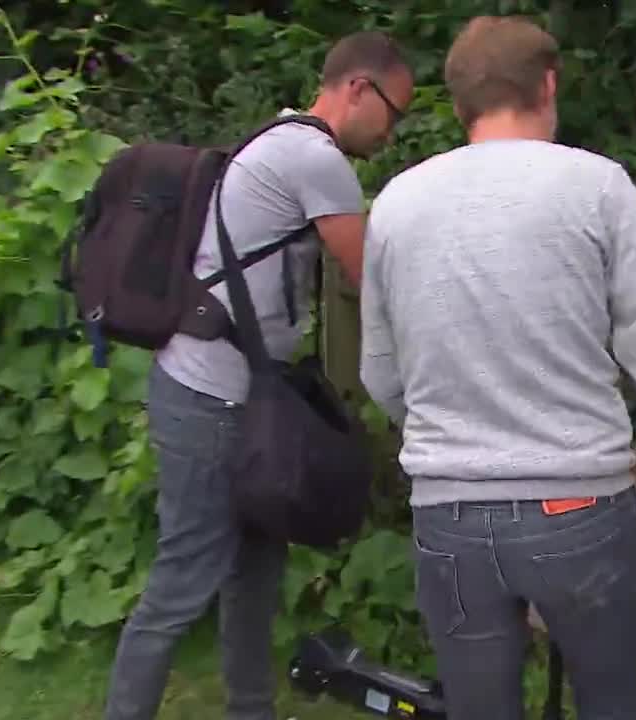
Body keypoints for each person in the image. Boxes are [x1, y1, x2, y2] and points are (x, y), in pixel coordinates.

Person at [359, 15, 636, 720]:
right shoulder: (597, 186)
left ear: (459, 102)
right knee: (611, 704)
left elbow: (382, 373)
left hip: (448, 514)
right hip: (579, 507)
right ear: (547, 85)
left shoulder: (394, 205)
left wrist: (449, 440)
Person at [103, 31, 414, 720]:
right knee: (183, 583)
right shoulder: (315, 158)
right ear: (358, 88)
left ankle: (250, 710)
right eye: (393, 113)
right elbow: (375, 280)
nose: (391, 134)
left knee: (255, 575)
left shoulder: (278, 138)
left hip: (236, 396)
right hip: (209, 397)